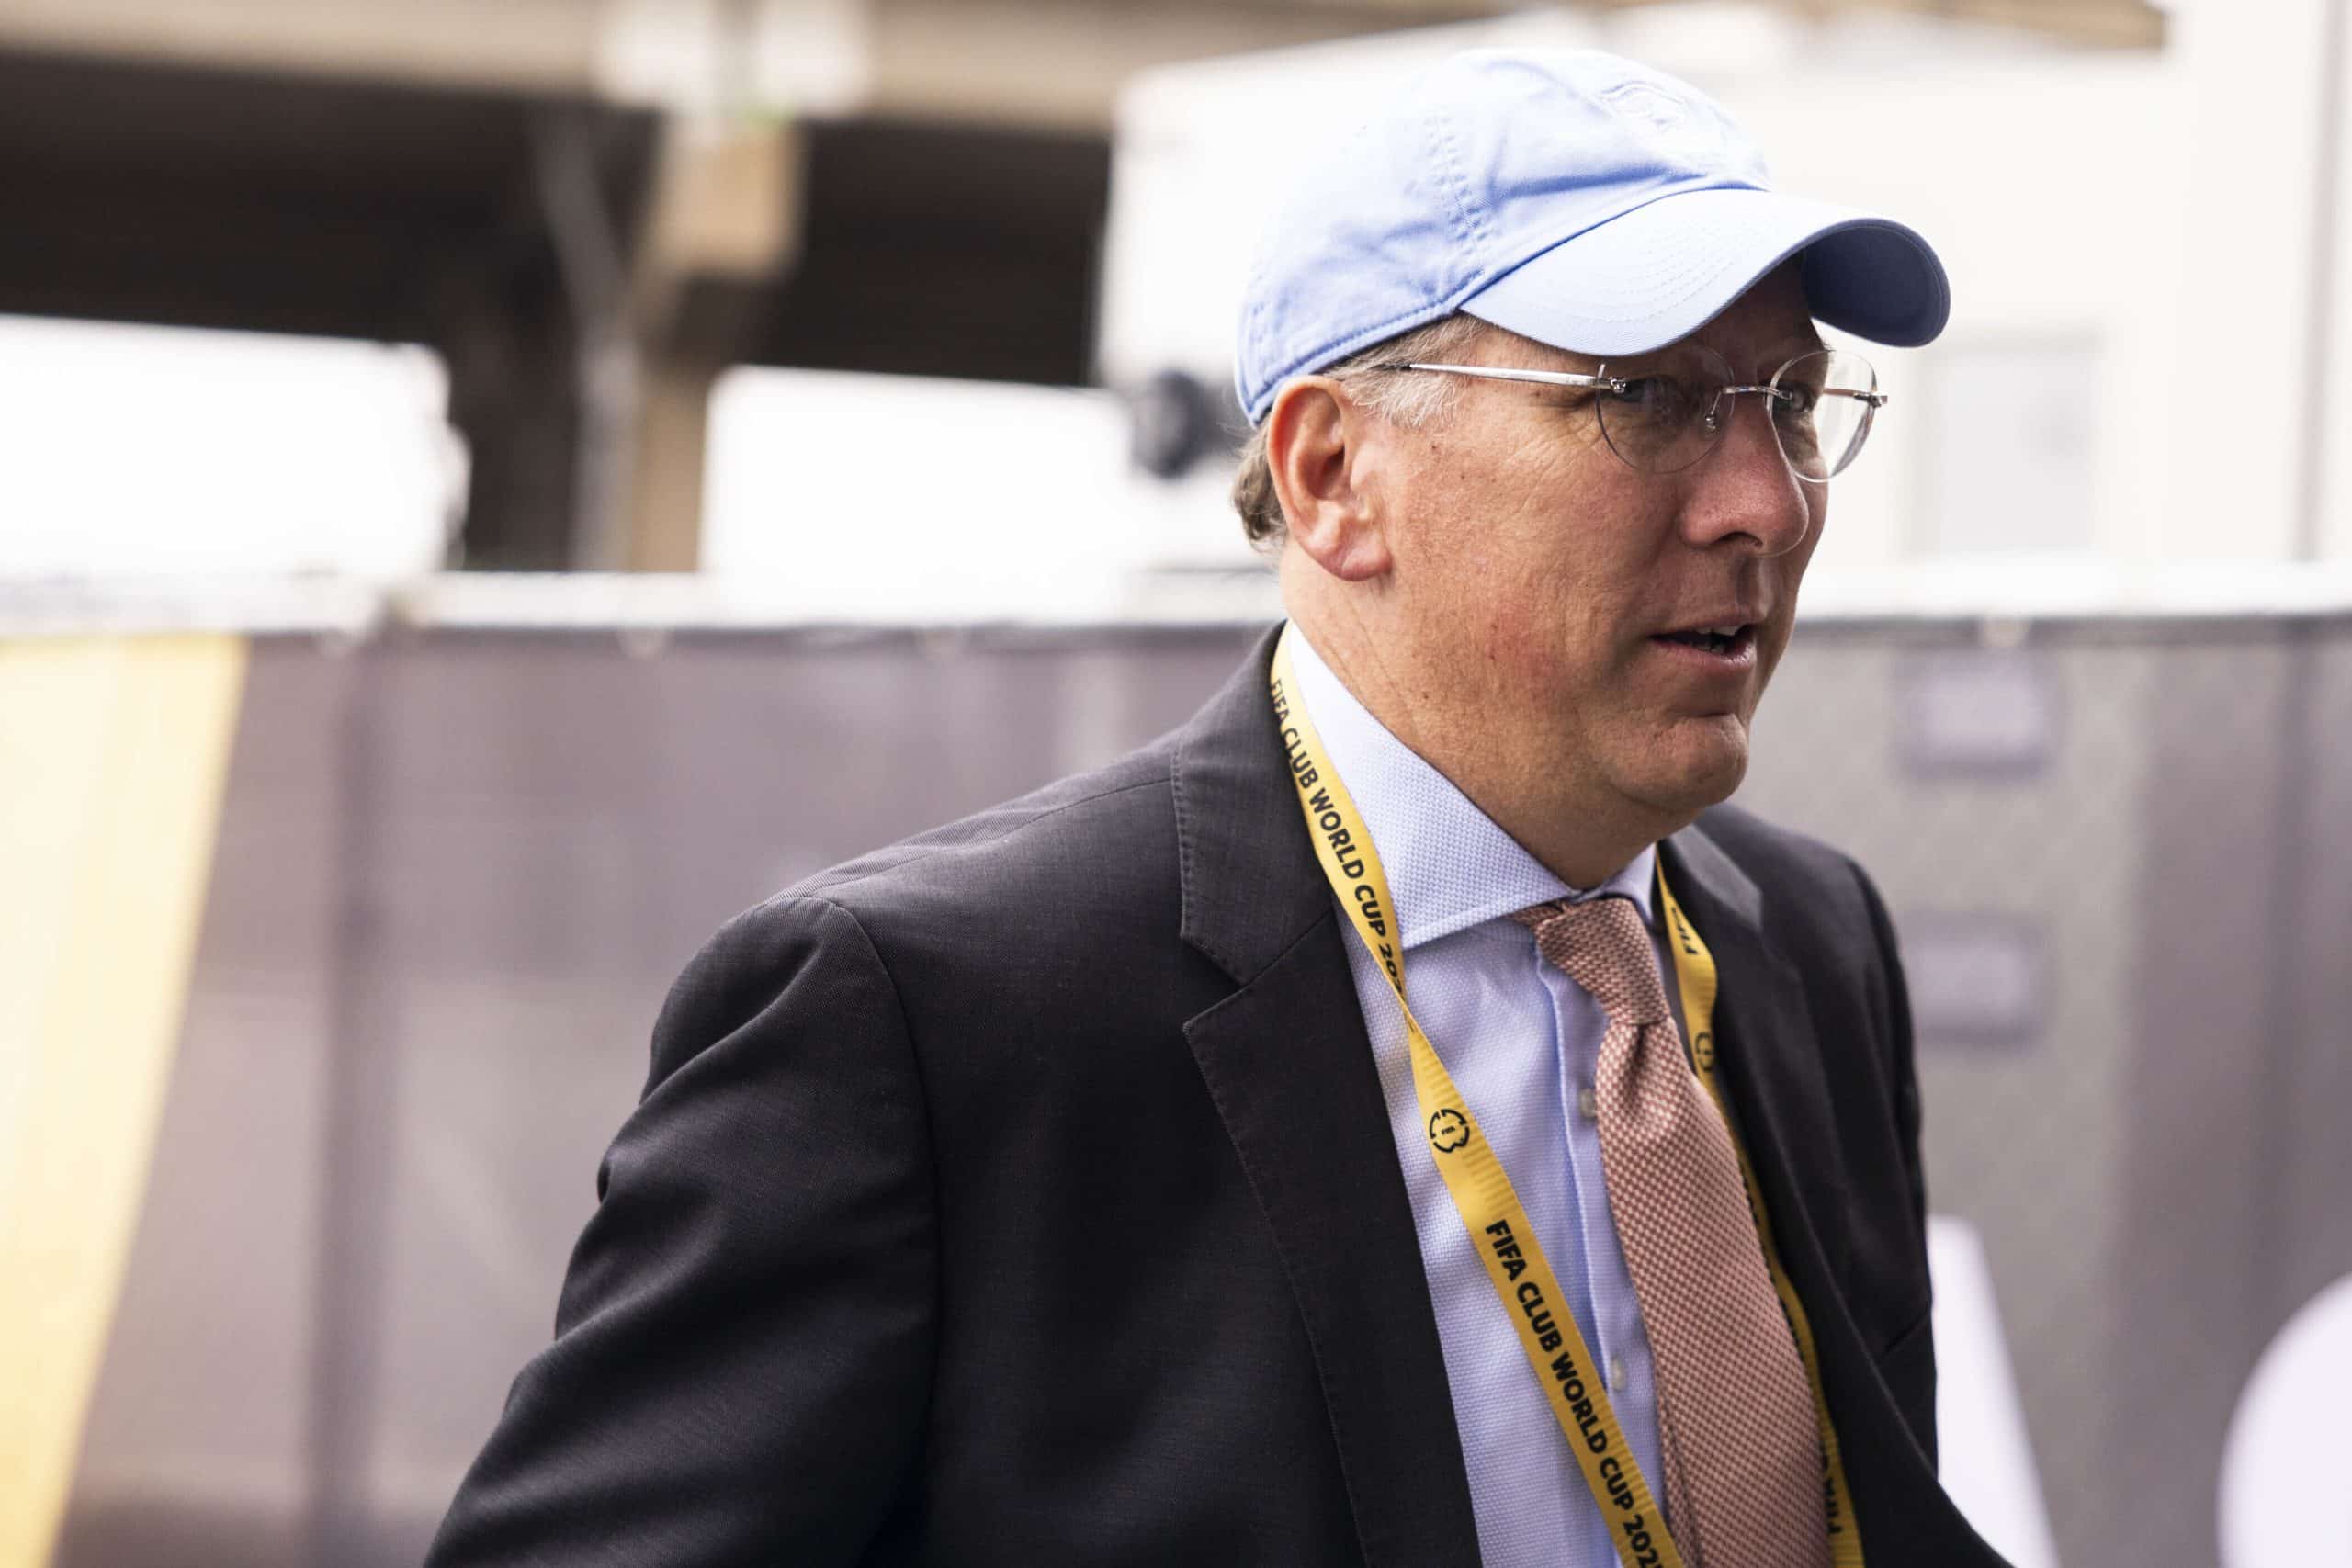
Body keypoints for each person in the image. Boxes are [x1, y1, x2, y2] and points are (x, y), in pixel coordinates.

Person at [428, 48, 2012, 1568]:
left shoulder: (1808, 945)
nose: (1765, 502)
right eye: (1650, 399)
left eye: (1792, 402)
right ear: (1332, 476)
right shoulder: (930, 1020)